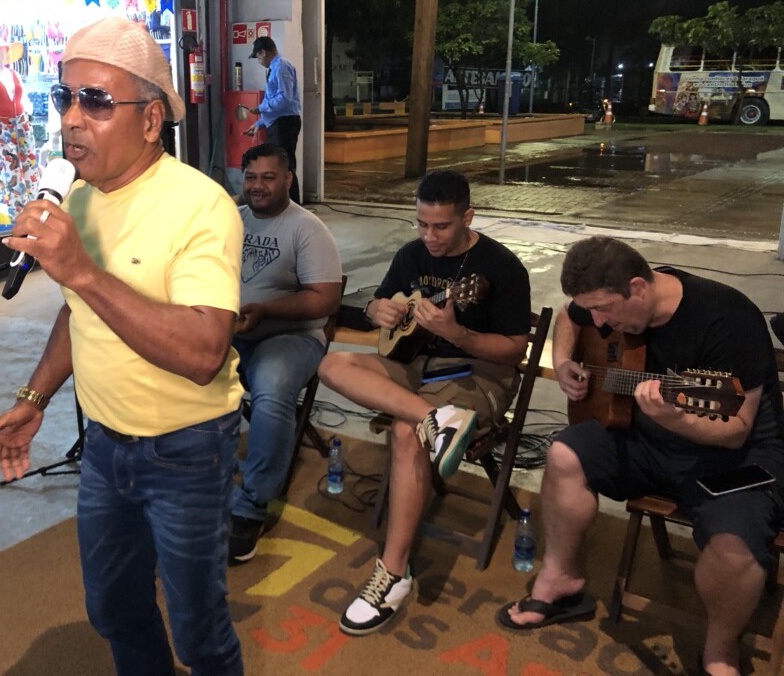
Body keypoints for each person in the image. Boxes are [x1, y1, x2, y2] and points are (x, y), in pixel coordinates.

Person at [0, 17, 246, 675]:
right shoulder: (78, 197)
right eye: (63, 98)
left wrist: (83, 271)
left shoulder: (201, 206)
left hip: (187, 452)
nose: (72, 119)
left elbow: (204, 353)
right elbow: (79, 311)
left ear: (151, 120)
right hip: (103, 447)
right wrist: (35, 397)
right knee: (114, 611)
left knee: (198, 634)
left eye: (96, 101)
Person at [498, 236, 784, 676]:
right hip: (648, 437)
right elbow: (571, 315)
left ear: (638, 287)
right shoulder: (606, 302)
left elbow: (737, 429)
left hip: (735, 455)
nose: (599, 321)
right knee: (563, 454)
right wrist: (565, 360)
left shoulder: (727, 316)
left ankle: (721, 648)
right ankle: (561, 579)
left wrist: (676, 420)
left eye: (604, 310)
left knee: (734, 548)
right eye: (593, 311)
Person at [318, 169, 531, 635]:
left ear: (467, 217)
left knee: (405, 433)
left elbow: (515, 350)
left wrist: (459, 333)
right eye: (421, 224)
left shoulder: (501, 267)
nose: (429, 237)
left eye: (441, 226)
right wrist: (377, 309)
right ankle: (437, 418)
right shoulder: (411, 254)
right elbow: (379, 303)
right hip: (415, 365)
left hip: (478, 371)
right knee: (331, 364)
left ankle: (393, 573)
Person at [229, 142, 343, 564]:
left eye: (268, 177)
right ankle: (206, 484)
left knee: (273, 387)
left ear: (288, 179)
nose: (257, 186)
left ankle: (250, 505)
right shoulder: (231, 220)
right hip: (233, 331)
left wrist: (266, 311)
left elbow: (325, 299)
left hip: (292, 336)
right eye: (251, 177)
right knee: (186, 370)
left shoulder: (307, 229)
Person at [0, 36, 39, 215]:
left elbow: (23, 97)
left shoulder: (13, 73)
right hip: (2, 127)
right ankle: (18, 215)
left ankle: (35, 208)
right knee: (11, 172)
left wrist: (29, 113)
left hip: (22, 122)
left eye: (5, 48)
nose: (3, 52)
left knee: (30, 165)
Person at [243, 36, 301, 203]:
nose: (259, 61)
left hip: (285, 124)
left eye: (258, 57)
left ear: (263, 52)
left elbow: (284, 98)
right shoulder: (275, 68)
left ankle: (293, 206)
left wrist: (261, 108)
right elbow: (276, 103)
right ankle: (282, 204)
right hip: (278, 123)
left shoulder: (281, 66)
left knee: (285, 167)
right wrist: (259, 124)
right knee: (278, 166)